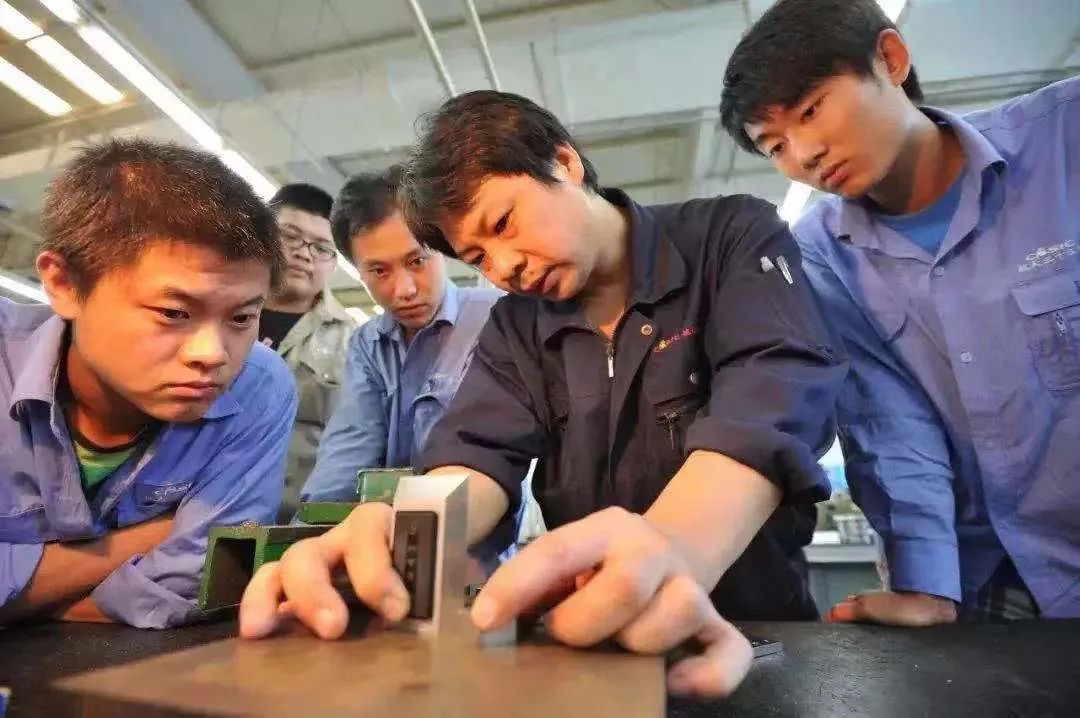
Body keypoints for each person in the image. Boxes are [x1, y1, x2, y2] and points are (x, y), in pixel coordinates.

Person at [242, 91, 847, 697]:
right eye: (477, 257)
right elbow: (475, 454)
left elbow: (771, 393)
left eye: (503, 224)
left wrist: (674, 547)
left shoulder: (728, 237)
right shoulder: (517, 323)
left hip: (758, 632)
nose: (504, 268)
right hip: (594, 648)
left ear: (564, 162)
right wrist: (405, 533)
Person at [720, 0, 1080, 623]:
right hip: (994, 579)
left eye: (811, 110)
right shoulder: (820, 255)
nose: (803, 154)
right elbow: (889, 421)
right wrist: (926, 584)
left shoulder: (1064, 140)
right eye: (774, 145)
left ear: (890, 59)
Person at [0, 139, 297, 629]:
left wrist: (23, 599)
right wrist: (148, 538)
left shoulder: (259, 389)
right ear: (65, 283)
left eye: (242, 317)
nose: (213, 354)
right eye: (174, 313)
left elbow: (200, 582)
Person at [298, 167, 501, 504]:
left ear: (442, 247)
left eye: (417, 261)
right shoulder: (368, 345)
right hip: (385, 524)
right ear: (358, 271)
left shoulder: (496, 320)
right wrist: (315, 525)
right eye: (379, 271)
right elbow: (349, 448)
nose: (404, 290)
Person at [261, 183, 356, 522]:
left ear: (334, 263)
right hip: (196, 510)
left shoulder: (354, 344)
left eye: (321, 248)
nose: (304, 254)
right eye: (291, 237)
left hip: (294, 524)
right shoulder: (214, 318)